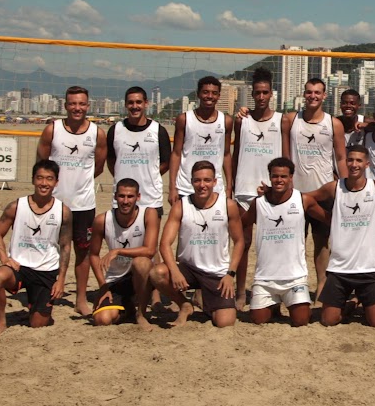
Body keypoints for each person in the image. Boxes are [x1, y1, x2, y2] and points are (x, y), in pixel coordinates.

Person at [308, 145, 375, 328]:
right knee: (328, 320)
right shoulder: (334, 187)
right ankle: (351, 304)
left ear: (367, 164)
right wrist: (328, 218)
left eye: (359, 160)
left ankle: (357, 300)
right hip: (340, 268)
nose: (354, 164)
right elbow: (307, 198)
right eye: (350, 160)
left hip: (368, 267)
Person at [36, 85, 107, 317]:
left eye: (81, 104)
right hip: (54, 204)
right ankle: (44, 293)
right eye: (73, 104)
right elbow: (42, 165)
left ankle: (80, 299)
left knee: (82, 252)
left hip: (83, 204)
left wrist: (79, 182)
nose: (77, 108)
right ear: (65, 105)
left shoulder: (97, 133)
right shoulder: (52, 130)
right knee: (48, 249)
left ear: (88, 105)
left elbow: (97, 168)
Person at [150, 161, 245, 328]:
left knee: (225, 322)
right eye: (197, 180)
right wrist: (175, 272)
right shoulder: (181, 206)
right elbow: (164, 243)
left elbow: (239, 242)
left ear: (215, 182)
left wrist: (230, 274)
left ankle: (209, 304)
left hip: (216, 273)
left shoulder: (228, 205)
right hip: (188, 269)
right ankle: (185, 304)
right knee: (158, 273)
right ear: (191, 182)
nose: (202, 185)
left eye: (207, 180)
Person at [0, 160, 73, 338]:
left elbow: (65, 246)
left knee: (37, 325)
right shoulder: (16, 206)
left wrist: (61, 279)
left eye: (49, 179)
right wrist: (5, 259)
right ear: (33, 180)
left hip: (46, 270)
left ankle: (36, 305)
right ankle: (1, 323)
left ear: (56, 182)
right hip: (19, 266)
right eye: (40, 178)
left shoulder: (63, 211)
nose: (44, 183)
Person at [282, 78, 348, 304]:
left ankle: (321, 285)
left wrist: (346, 188)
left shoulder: (333, 123)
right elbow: (284, 157)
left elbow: (341, 157)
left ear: (324, 95)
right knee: (294, 242)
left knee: (322, 243)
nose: (313, 96)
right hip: (296, 194)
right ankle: (295, 285)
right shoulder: (291, 120)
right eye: (309, 92)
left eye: (317, 92)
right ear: (304, 94)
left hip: (324, 193)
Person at [242, 157, 328, 327]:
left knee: (301, 321)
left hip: (294, 277)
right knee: (258, 319)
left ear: (291, 178)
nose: (279, 180)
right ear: (270, 177)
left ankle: (288, 301)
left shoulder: (303, 200)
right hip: (265, 278)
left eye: (283, 176)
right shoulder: (258, 203)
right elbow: (240, 223)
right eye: (275, 176)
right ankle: (273, 305)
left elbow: (328, 219)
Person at [231, 68, 285, 309]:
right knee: (242, 245)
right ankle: (240, 291)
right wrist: (231, 184)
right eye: (257, 93)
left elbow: (285, 158)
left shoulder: (281, 119)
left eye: (265, 92)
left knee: (272, 245)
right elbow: (235, 154)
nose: (261, 97)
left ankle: (273, 292)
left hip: (270, 193)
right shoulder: (242, 120)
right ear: (252, 94)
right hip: (244, 191)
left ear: (271, 93)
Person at [88, 179, 158, 329]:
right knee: (102, 320)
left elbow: (150, 250)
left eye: (130, 196)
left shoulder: (148, 214)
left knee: (141, 262)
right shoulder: (102, 220)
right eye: (121, 196)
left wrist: (118, 250)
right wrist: (103, 285)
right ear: (115, 197)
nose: (125, 201)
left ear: (138, 197)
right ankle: (128, 308)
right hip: (116, 278)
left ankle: (141, 312)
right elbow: (93, 254)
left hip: (142, 275)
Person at [106, 86, 171, 217]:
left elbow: (166, 162)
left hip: (150, 199)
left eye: (138, 102)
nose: (134, 106)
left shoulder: (159, 130)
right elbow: (111, 161)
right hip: (122, 200)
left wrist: (150, 175)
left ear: (146, 103)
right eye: (131, 102)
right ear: (125, 104)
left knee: (150, 238)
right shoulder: (115, 130)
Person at [169, 76, 233, 204]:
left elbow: (226, 154)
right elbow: (176, 154)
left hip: (215, 187)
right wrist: (172, 187)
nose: (210, 96)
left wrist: (229, 187)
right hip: (186, 186)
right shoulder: (184, 119)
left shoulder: (226, 121)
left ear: (219, 96)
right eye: (205, 92)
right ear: (198, 94)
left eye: (214, 93)